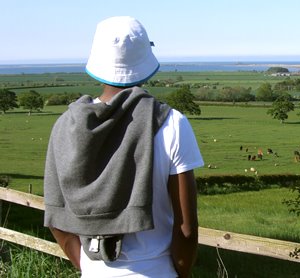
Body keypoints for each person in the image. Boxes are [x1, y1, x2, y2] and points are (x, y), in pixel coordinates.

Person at [43, 16, 204, 277]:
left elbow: (55, 215)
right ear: (145, 59)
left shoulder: (65, 125)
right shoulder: (171, 123)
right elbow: (186, 226)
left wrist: (86, 264)